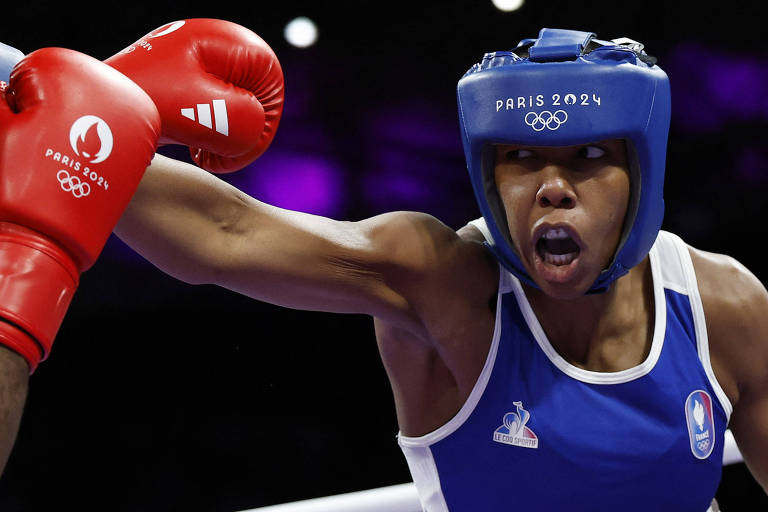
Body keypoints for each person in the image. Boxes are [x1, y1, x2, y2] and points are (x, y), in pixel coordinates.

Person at [109, 27, 767, 510]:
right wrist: (87, 121)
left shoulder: (724, 306)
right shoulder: (441, 283)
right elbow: (229, 234)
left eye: (589, 154)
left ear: (641, 175)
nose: (552, 188)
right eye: (521, 157)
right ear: (487, 173)